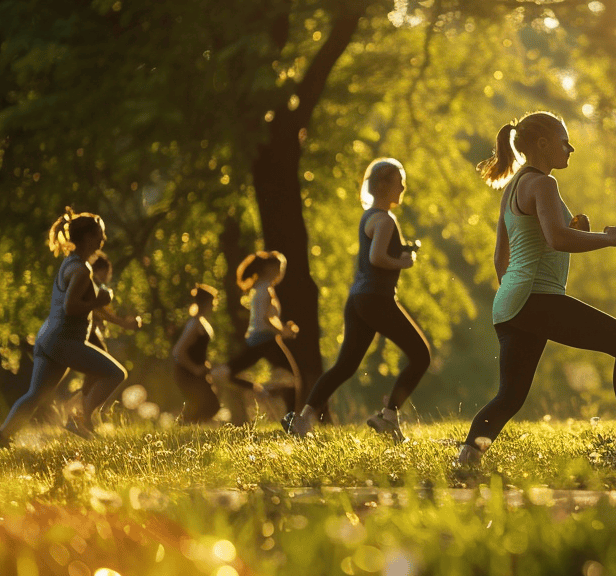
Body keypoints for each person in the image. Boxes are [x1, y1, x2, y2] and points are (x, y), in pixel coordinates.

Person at [457, 112, 616, 466]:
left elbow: (502, 256)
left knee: (511, 395)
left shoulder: (514, 186)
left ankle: (466, 459)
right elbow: (557, 238)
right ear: (544, 144)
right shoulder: (544, 184)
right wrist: (606, 239)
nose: (571, 148)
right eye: (565, 141)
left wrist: (516, 297)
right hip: (534, 298)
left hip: (511, 304)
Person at [284, 158, 431, 443]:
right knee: (421, 356)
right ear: (383, 185)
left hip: (358, 300)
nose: (403, 187)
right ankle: (388, 416)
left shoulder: (370, 217)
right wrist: (404, 262)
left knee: (345, 366)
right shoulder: (385, 219)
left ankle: (302, 420)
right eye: (399, 181)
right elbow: (377, 258)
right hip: (376, 299)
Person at [0, 210, 127, 446]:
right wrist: (100, 300)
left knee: (34, 396)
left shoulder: (71, 263)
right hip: (65, 341)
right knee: (116, 373)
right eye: (99, 234)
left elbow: (78, 301)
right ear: (88, 238)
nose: (103, 239)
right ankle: (79, 418)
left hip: (49, 338)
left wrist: (110, 311)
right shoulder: (81, 269)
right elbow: (72, 307)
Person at [222, 251, 301, 416]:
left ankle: (263, 391)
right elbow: (266, 319)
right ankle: (286, 415)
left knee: (230, 371)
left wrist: (283, 329)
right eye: (279, 268)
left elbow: (268, 317)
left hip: (258, 339)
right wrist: (282, 331)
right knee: (291, 378)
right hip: (265, 341)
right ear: (269, 269)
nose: (281, 272)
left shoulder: (260, 288)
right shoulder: (265, 289)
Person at [65, 254, 142, 415]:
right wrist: (122, 322)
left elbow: (102, 311)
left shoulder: (91, 283)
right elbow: (98, 309)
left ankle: (80, 412)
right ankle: (81, 412)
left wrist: (121, 321)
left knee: (95, 373)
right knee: (102, 372)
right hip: (89, 333)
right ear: (102, 270)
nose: (109, 277)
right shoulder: (92, 283)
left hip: (90, 333)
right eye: (108, 273)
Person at [172, 284, 222, 423]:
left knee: (210, 405)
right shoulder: (194, 324)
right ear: (206, 303)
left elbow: (197, 351)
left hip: (197, 374)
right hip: (188, 374)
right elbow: (177, 352)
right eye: (212, 302)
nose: (213, 306)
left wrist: (204, 366)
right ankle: (183, 429)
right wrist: (195, 369)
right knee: (208, 405)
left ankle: (186, 430)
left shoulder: (200, 322)